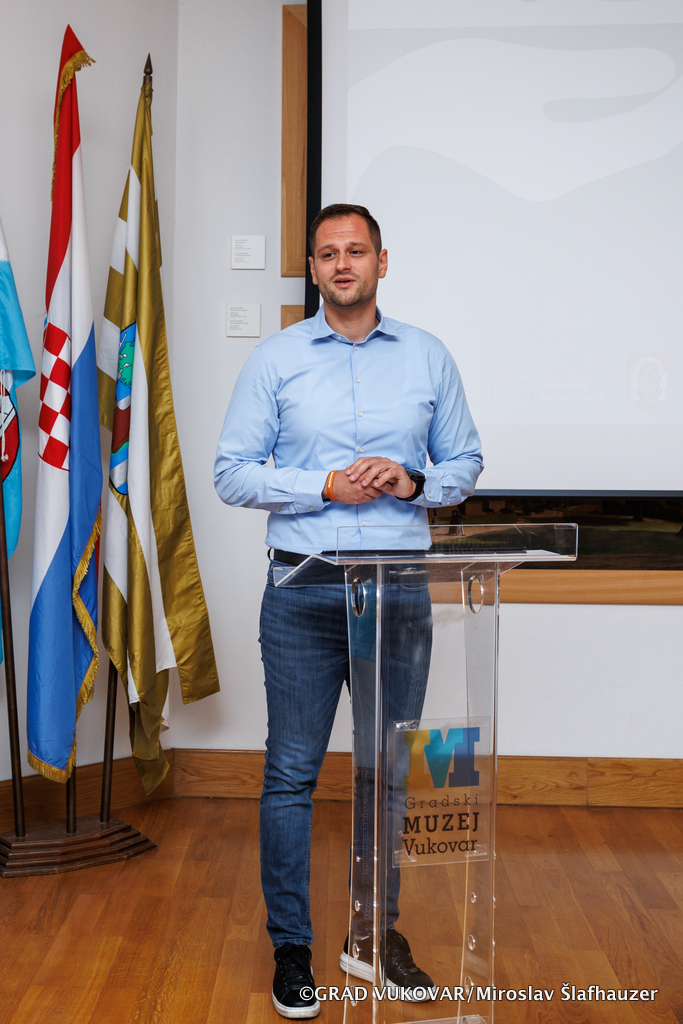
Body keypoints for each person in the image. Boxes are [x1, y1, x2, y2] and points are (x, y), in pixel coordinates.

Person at [214, 204, 483, 1018]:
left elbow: (464, 460)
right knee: (291, 773)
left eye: (355, 250)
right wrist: (321, 486)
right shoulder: (275, 360)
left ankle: (373, 937)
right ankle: (291, 950)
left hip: (396, 590)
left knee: (390, 771)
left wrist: (412, 481)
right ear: (312, 268)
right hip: (302, 588)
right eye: (327, 253)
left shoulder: (428, 356)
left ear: (381, 262)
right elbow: (231, 473)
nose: (341, 264)